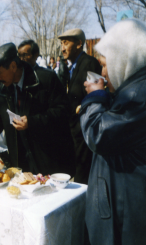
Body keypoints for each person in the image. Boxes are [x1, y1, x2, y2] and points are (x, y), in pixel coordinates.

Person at [80, 19, 146, 245]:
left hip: (127, 212)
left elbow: (98, 134)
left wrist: (95, 97)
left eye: (106, 65)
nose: (104, 73)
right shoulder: (134, 87)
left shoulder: (138, 95)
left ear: (124, 59)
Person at [0, 43, 75, 175]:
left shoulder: (46, 80)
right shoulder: (5, 90)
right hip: (21, 163)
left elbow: (63, 111)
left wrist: (32, 122)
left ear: (13, 66)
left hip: (48, 161)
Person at [58, 28, 101, 184]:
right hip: (74, 132)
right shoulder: (72, 66)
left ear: (78, 44)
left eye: (66, 43)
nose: (62, 48)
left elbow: (97, 96)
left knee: (83, 178)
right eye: (61, 43)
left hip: (84, 132)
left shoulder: (89, 63)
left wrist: (82, 106)